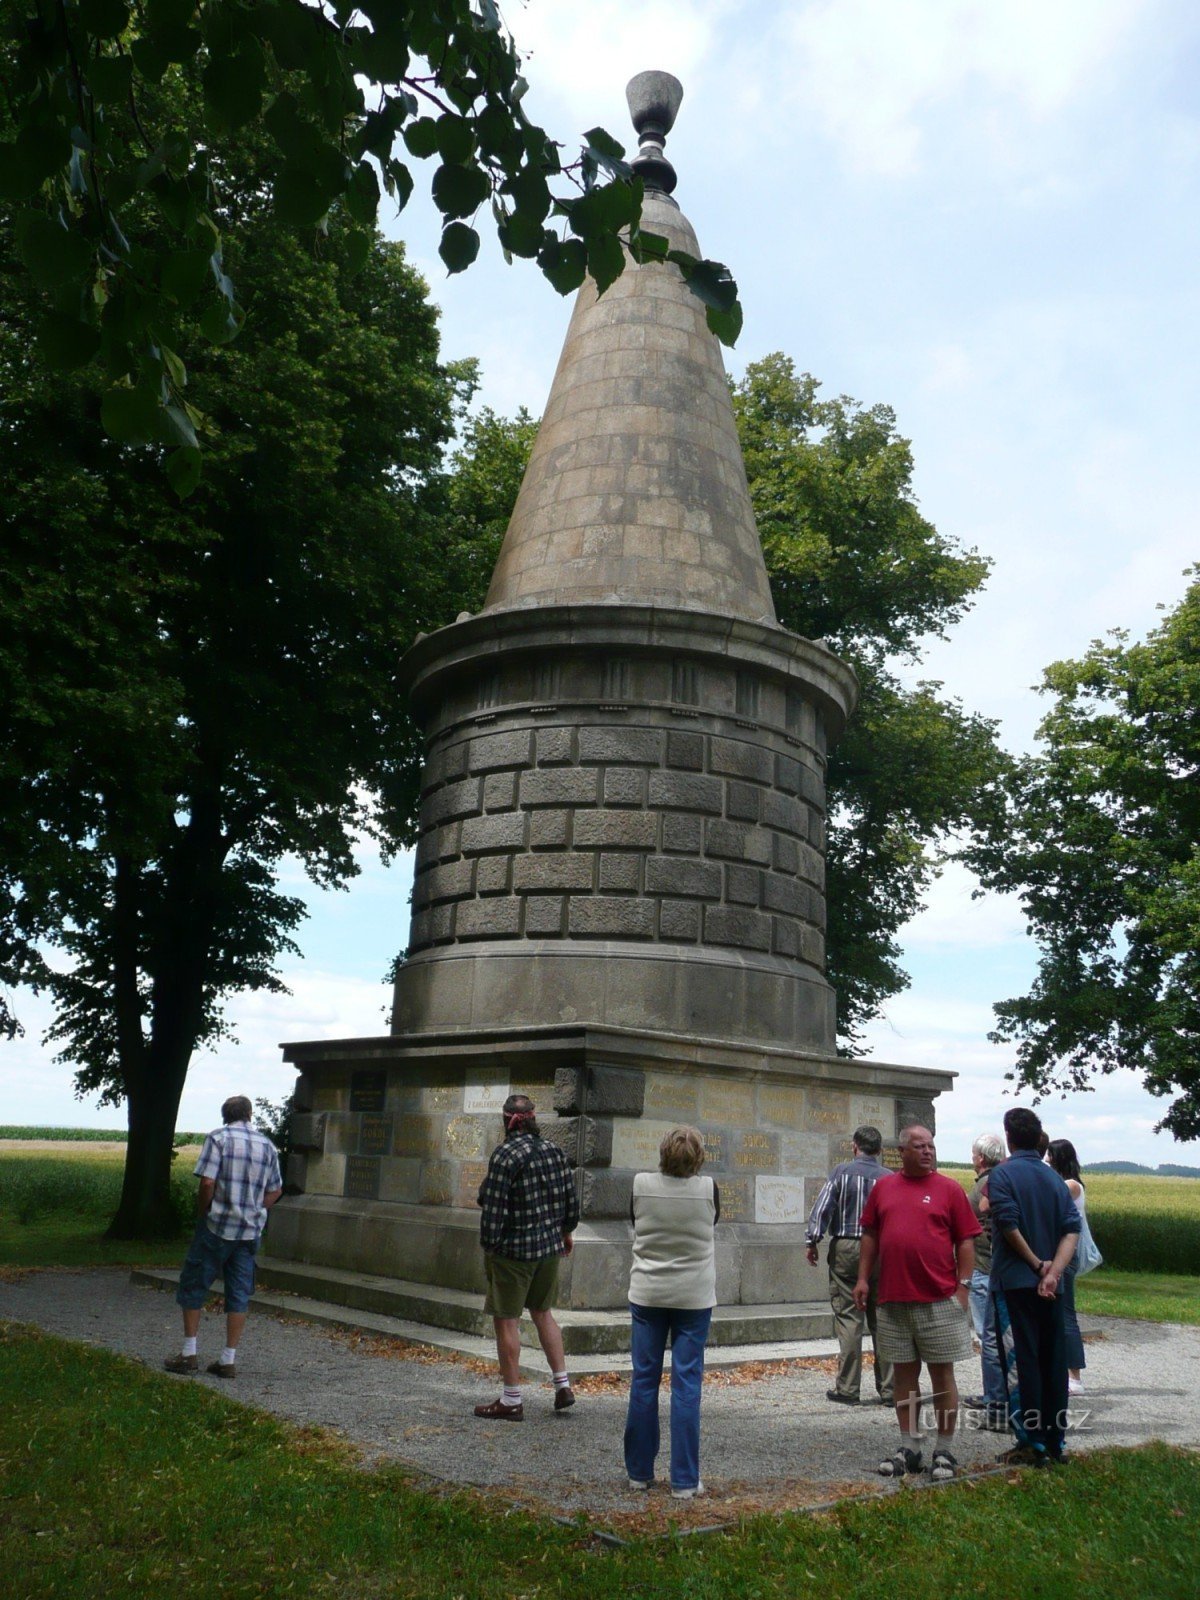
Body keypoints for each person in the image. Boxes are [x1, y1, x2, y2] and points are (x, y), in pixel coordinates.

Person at [854, 1124, 980, 1483]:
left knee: (942, 1375)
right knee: (904, 1379)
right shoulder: (884, 1188)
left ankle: (945, 1448)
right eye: (919, 1146)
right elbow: (870, 1235)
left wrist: (963, 1288)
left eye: (931, 1146)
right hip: (894, 1300)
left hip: (939, 1300)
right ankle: (909, 1445)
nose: (927, 1151)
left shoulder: (949, 1190)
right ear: (902, 1151)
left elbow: (966, 1242)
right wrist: (863, 1279)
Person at [624, 1126, 718, 1499]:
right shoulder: (708, 1189)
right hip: (693, 1296)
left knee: (644, 1380)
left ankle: (639, 1472)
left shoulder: (639, 1184)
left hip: (648, 1291)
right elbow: (711, 1223)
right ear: (698, 1158)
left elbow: (634, 1221)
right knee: (686, 1384)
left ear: (662, 1153)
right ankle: (683, 1479)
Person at [474, 1093, 579, 1421]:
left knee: (506, 1320)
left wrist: (490, 1246)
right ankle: (562, 1384)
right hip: (549, 1250)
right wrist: (565, 1231)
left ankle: (511, 1399)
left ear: (506, 1121)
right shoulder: (555, 1151)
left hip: (514, 1253)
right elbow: (571, 1204)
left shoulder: (504, 1155)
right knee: (543, 1313)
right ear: (534, 1118)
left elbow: (493, 1209)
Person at [164, 1094, 282, 1379]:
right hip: (249, 1231)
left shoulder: (218, 1139)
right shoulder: (267, 1146)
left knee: (194, 1283)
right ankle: (228, 1359)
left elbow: (207, 1181)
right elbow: (276, 1189)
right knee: (239, 1291)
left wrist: (204, 1211)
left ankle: (189, 1353)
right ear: (249, 1115)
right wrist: (254, 1210)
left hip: (217, 1226)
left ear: (225, 1116)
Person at [988, 1108, 1082, 1467]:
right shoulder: (1055, 1180)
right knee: (1052, 1361)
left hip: (1015, 1284)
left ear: (1008, 1137)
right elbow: (1072, 1228)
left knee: (1019, 1362)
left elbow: (1009, 1226)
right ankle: (1055, 1440)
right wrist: (1054, 1272)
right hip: (1050, 1287)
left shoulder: (1003, 1175)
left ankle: (1031, 1442)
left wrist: (1036, 1265)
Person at [805, 1124, 893, 1406]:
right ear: (879, 1150)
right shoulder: (889, 1179)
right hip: (879, 1249)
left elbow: (822, 1208)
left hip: (845, 1246)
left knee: (848, 1317)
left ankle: (848, 1388)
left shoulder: (841, 1173)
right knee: (882, 1319)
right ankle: (891, 1390)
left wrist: (812, 1241)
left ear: (855, 1146)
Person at [961, 1133, 1008, 1428]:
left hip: (982, 1267)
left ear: (980, 1158)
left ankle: (995, 1399)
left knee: (987, 1336)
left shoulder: (984, 1187)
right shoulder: (1001, 1180)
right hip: (996, 1266)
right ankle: (997, 1394)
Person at [1047, 1138, 1089, 1395]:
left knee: (1066, 1315)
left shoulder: (1070, 1185)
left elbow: (1049, 1199)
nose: (1046, 1161)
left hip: (1067, 1254)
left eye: (1050, 1156)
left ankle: (1075, 1376)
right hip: (1060, 1252)